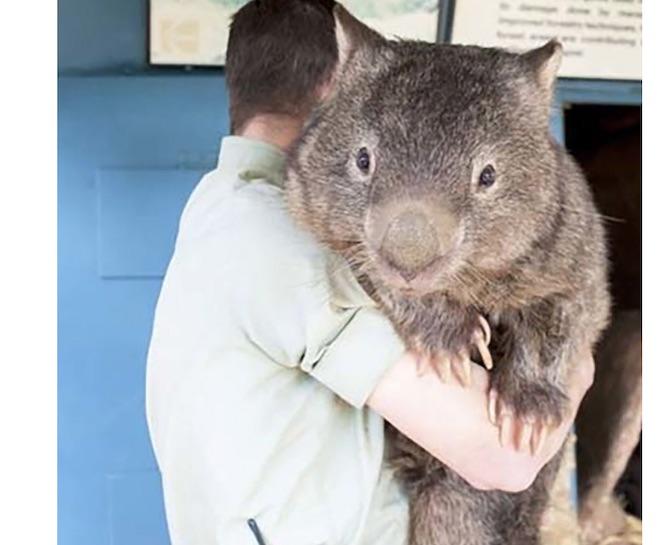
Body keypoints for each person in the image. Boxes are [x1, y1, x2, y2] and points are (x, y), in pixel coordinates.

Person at [145, 1, 595, 544]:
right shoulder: (276, 238)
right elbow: (500, 456)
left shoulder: (221, 208)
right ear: (338, 89)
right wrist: (577, 368)